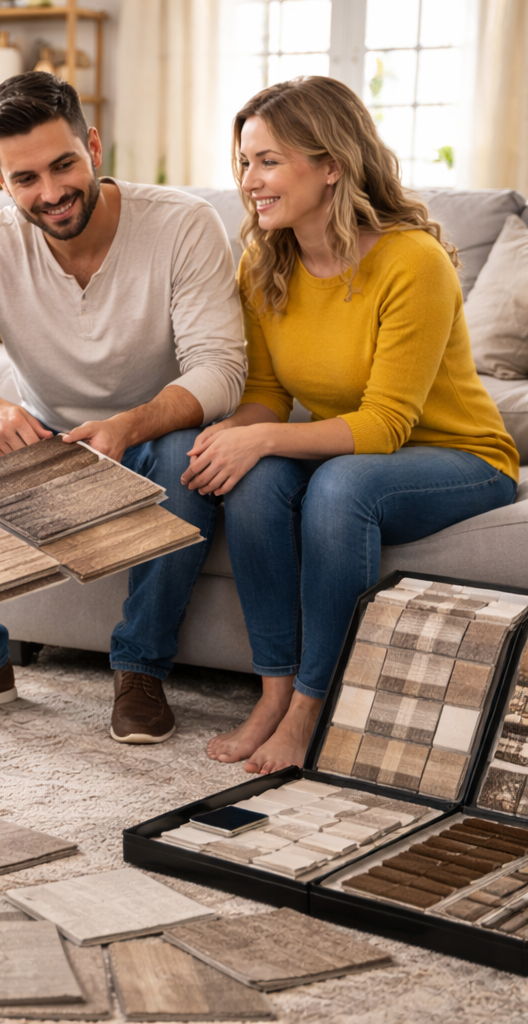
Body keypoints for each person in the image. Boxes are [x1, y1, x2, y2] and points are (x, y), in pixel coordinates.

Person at [0, 72, 247, 742]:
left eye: (63, 165)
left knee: (182, 448)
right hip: (44, 453)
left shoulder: (182, 224)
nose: (50, 194)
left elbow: (221, 371)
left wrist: (128, 424)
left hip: (150, 445)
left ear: (94, 147)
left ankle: (140, 671)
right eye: (26, 179)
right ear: (1, 180)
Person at [187, 76, 519, 774]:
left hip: (461, 459)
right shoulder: (265, 261)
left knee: (340, 487)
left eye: (269, 160)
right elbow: (269, 396)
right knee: (254, 478)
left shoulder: (412, 260)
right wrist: (234, 438)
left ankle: (315, 707)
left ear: (331, 163)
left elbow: (387, 425)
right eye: (245, 162)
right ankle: (274, 694)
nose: (250, 180)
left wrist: (264, 436)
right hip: (358, 452)